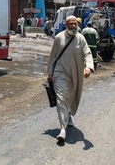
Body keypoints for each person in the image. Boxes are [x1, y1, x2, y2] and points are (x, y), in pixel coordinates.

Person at [47, 15, 93, 143]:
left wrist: (88, 67)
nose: (73, 26)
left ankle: (70, 114)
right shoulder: (58, 38)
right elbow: (53, 57)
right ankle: (63, 129)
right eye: (71, 24)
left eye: (75, 24)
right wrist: (50, 72)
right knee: (61, 97)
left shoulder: (80, 38)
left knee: (72, 95)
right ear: (66, 24)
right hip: (60, 73)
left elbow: (87, 53)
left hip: (76, 73)